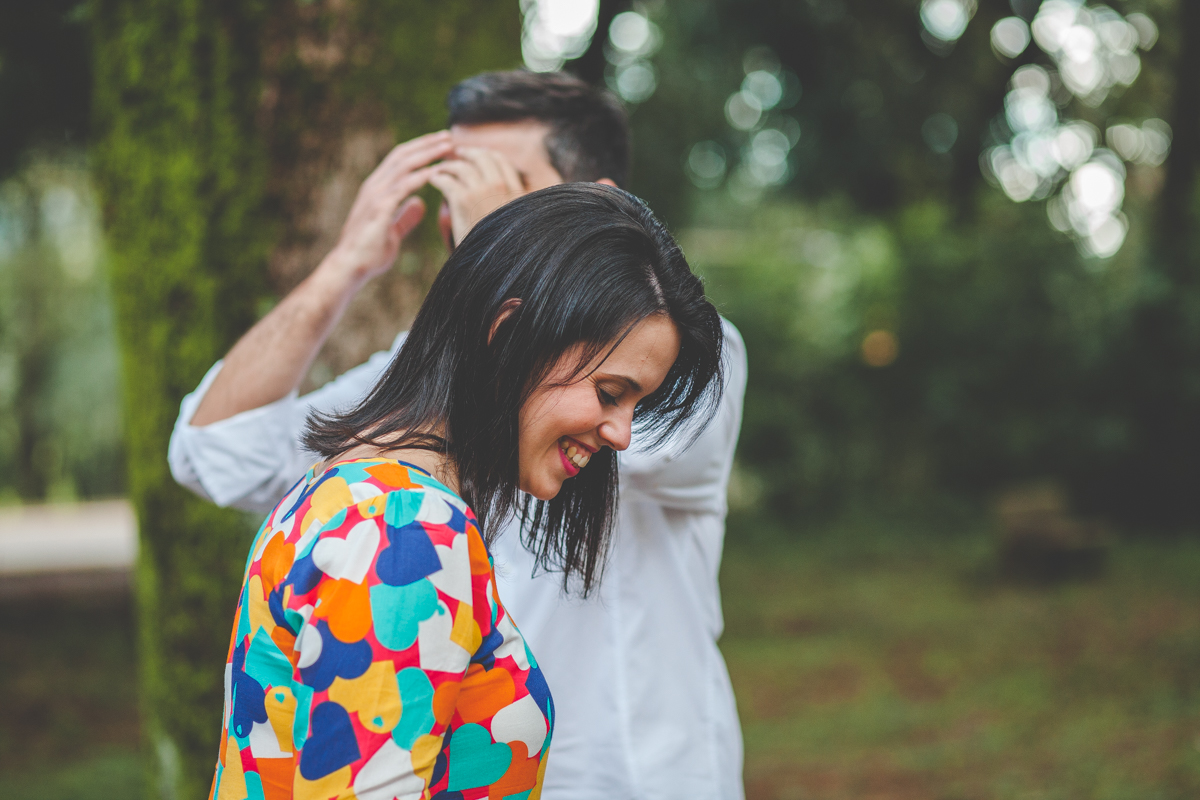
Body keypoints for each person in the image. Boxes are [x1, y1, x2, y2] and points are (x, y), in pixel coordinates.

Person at [172, 70, 749, 799]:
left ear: (596, 204)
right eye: (460, 191)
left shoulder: (680, 348)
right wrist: (352, 262)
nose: (465, 216)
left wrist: (526, 268)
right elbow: (218, 454)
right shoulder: (404, 509)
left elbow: (664, 436)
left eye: (508, 189)